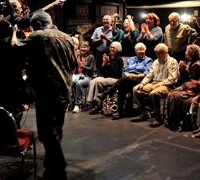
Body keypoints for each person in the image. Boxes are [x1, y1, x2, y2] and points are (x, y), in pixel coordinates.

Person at [11, 10, 78, 179]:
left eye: (34, 27)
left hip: (47, 93)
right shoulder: (67, 37)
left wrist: (14, 32)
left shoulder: (39, 35)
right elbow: (74, 64)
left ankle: (59, 169)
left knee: (47, 133)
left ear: (39, 25)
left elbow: (16, 47)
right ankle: (51, 167)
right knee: (56, 131)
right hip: (65, 91)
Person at [96, 42, 153, 119]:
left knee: (124, 80)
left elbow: (147, 73)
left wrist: (134, 75)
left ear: (145, 51)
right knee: (122, 86)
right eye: (138, 50)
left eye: (142, 50)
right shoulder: (131, 59)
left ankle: (105, 94)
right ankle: (120, 111)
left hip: (140, 80)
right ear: (135, 51)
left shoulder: (148, 60)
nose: (140, 51)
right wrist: (127, 74)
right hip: (127, 79)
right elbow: (125, 71)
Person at [131, 43, 179, 127]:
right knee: (136, 89)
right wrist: (142, 83)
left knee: (154, 93)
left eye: (160, 53)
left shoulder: (172, 62)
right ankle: (143, 112)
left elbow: (172, 79)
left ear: (166, 53)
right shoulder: (156, 62)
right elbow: (150, 75)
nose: (158, 55)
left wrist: (158, 85)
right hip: (155, 83)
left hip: (168, 85)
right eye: (157, 53)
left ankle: (159, 117)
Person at [165, 44, 200, 131]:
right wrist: (182, 70)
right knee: (171, 93)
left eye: (187, 51)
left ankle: (178, 120)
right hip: (188, 85)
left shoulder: (196, 65)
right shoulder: (191, 63)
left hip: (195, 89)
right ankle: (171, 120)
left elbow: (192, 80)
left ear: (191, 53)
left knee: (176, 96)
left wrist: (184, 70)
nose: (185, 53)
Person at [87, 41, 124, 114]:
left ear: (118, 49)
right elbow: (101, 71)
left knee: (98, 81)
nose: (111, 49)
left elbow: (115, 73)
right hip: (106, 77)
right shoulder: (108, 57)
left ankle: (96, 105)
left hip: (115, 79)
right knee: (93, 81)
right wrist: (104, 64)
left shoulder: (119, 59)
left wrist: (108, 64)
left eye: (114, 48)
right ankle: (95, 104)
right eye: (110, 47)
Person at [72, 41, 95, 113]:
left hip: (87, 77)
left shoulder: (91, 57)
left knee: (78, 83)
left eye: (85, 47)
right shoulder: (78, 56)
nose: (83, 48)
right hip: (77, 76)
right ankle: (70, 103)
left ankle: (77, 104)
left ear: (88, 48)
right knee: (70, 82)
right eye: (81, 47)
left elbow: (91, 69)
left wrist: (83, 66)